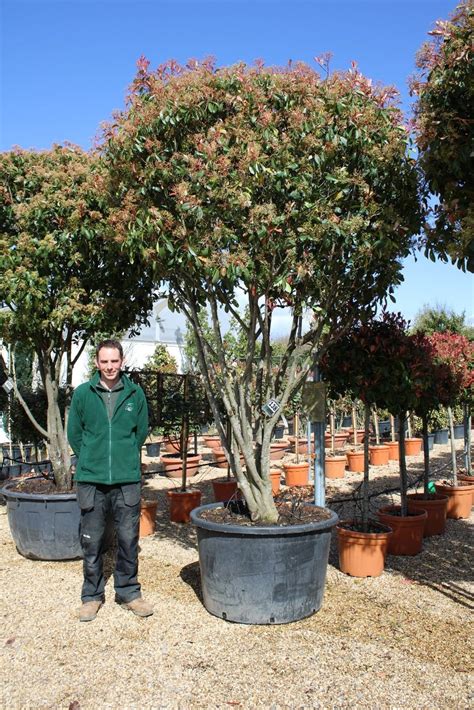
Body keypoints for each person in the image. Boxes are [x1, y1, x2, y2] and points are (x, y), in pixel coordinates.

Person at [68, 338, 153, 621]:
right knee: (91, 541)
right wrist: (92, 457)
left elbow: (140, 433)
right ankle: (91, 596)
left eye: (114, 361)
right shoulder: (82, 394)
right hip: (91, 480)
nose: (109, 367)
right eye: (104, 362)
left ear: (122, 361)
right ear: (96, 363)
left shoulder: (135, 394)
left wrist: (123, 456)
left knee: (129, 539)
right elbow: (74, 434)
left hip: (126, 479)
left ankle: (129, 592)